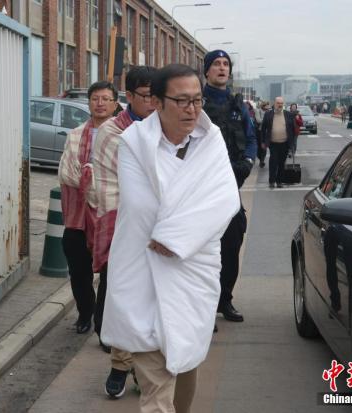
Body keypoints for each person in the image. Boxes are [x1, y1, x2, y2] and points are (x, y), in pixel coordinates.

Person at [101, 63, 240, 413]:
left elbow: (225, 201)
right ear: (157, 102)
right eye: (181, 101)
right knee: (156, 386)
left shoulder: (212, 141)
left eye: (197, 100)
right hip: (144, 271)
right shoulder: (134, 142)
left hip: (193, 270)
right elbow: (141, 206)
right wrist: (182, 219)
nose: (192, 109)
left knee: (185, 362)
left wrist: (175, 237)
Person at [92, 66, 157, 398]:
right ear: (128, 96)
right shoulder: (112, 132)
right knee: (125, 298)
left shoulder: (167, 128)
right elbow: (112, 187)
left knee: (156, 301)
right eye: (146, 96)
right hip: (124, 227)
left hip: (161, 229)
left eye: (157, 95)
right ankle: (120, 364)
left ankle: (145, 368)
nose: (153, 102)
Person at [57, 81, 119, 336]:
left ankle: (103, 321)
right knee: (78, 267)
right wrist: (92, 177)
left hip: (109, 212)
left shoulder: (124, 136)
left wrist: (89, 176)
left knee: (109, 271)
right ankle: (85, 312)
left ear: (115, 104)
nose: (100, 103)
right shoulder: (75, 135)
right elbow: (66, 172)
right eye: (95, 98)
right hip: (78, 214)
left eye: (105, 99)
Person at [202, 49, 257, 323]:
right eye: (216, 64)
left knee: (232, 244)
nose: (222, 68)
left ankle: (225, 300)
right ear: (207, 71)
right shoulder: (197, 104)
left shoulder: (238, 105)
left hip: (231, 184)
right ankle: (204, 307)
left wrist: (248, 161)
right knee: (203, 250)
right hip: (203, 188)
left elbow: (251, 138)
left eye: (226, 64)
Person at [261, 96, 296, 188]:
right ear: (274, 103)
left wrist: (292, 143)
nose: (280, 105)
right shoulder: (268, 114)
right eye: (278, 103)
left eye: (281, 103)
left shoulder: (288, 114)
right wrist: (263, 141)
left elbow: (292, 130)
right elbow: (263, 128)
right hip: (273, 143)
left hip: (285, 143)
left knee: (281, 163)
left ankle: (279, 181)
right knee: (273, 162)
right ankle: (272, 181)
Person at [255, 101, 270, 167]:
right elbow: (258, 120)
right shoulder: (258, 111)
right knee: (259, 146)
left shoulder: (269, 112)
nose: (267, 107)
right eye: (266, 105)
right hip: (259, 131)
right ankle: (260, 157)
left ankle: (262, 160)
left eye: (268, 105)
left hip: (266, 131)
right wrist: (266, 121)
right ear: (263, 106)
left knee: (264, 146)